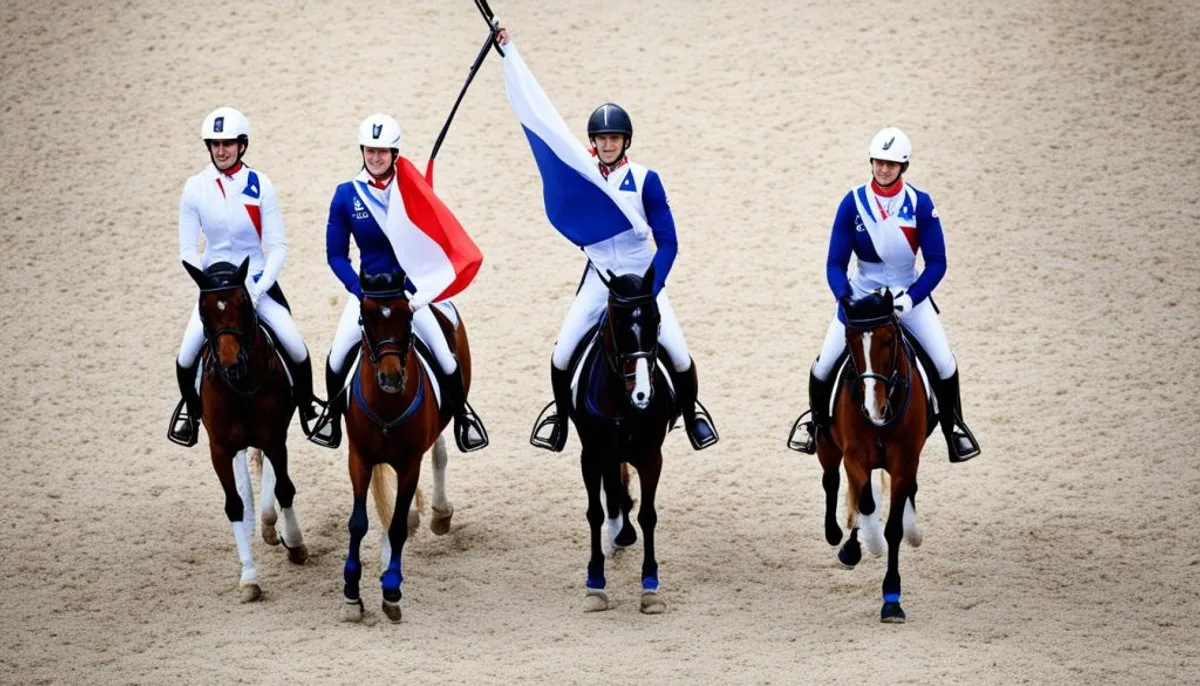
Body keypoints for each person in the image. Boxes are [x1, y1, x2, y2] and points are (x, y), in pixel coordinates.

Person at [533, 99, 719, 452]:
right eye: (601, 139)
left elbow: (668, 243)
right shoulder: (583, 176)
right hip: (599, 279)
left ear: (625, 141)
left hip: (642, 279)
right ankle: (560, 419)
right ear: (593, 141)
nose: (607, 145)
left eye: (614, 138)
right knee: (562, 353)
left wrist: (652, 285)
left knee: (679, 355)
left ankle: (692, 416)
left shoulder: (647, 180)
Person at [794, 127, 980, 463]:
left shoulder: (920, 204)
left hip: (908, 296)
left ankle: (954, 428)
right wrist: (845, 297)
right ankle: (816, 426)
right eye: (879, 162)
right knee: (823, 366)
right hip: (861, 297)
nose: (883, 169)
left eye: (891, 164)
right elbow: (835, 263)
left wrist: (912, 296)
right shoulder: (851, 203)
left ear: (903, 167)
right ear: (871, 162)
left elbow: (937, 263)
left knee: (944, 362)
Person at [308, 113, 488, 453]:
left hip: (410, 293)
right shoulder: (347, 195)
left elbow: (432, 232)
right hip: (368, 295)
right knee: (335, 358)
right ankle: (332, 419)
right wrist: (358, 291)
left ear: (395, 154)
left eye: (383, 151)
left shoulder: (411, 188)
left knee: (447, 360)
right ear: (362, 151)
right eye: (370, 150)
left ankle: (463, 418)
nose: (376, 157)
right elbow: (336, 256)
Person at [169, 106, 321, 446]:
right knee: (185, 355)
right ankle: (191, 415)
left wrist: (259, 287)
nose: (221, 150)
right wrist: (207, 284)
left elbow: (277, 246)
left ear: (242, 145)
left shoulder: (260, 185)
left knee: (295, 346)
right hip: (214, 286)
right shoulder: (195, 187)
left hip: (255, 283)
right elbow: (186, 248)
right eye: (215, 144)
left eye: (228, 143)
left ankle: (308, 408)